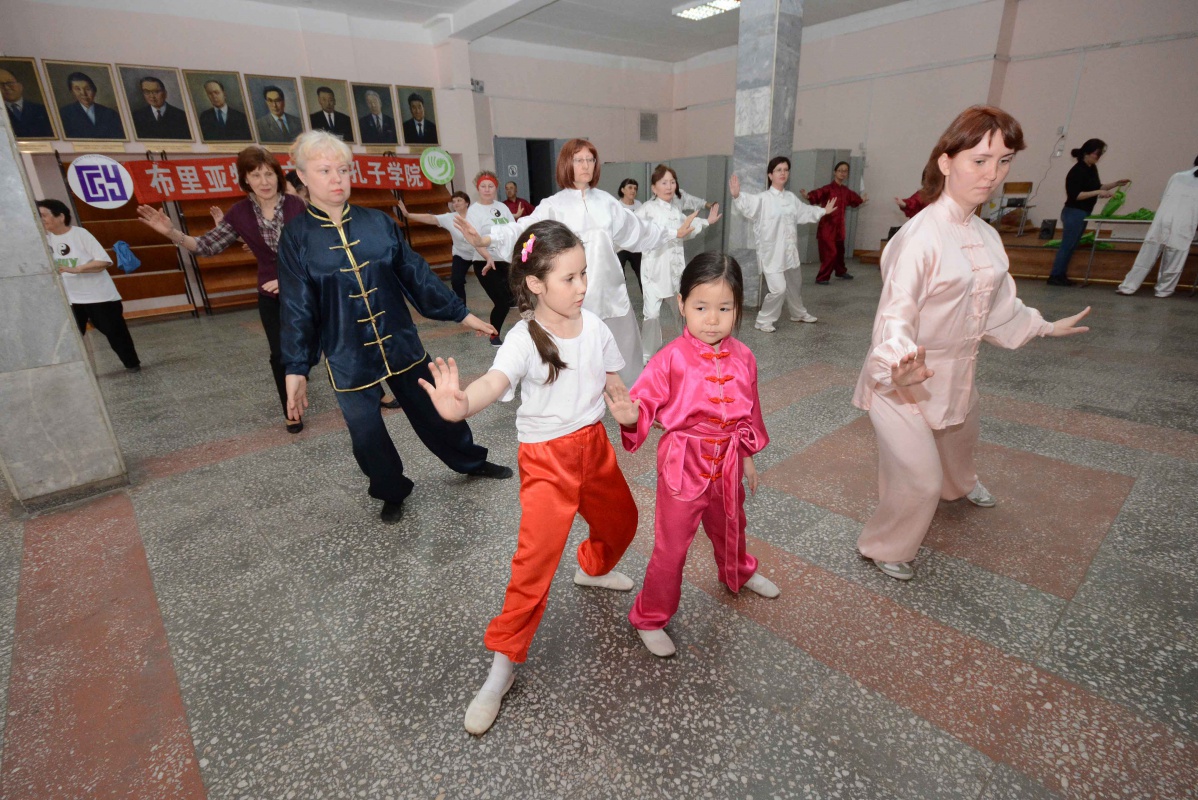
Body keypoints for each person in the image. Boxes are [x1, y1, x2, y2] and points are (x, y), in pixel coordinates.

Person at [418, 220, 639, 736]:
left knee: (623, 522)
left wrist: (626, 409)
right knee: (533, 565)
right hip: (546, 462)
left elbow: (613, 382)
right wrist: (460, 405)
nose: (582, 286)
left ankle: (592, 567)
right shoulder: (522, 339)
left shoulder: (595, 326)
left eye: (584, 274)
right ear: (536, 283)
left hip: (595, 449)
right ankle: (502, 667)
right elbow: (494, 382)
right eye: (570, 278)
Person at [853, 105, 1091, 582]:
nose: (992, 174)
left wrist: (1045, 326)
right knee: (919, 479)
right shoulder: (920, 237)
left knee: (960, 441)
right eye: (979, 161)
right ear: (946, 162)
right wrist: (898, 363)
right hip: (904, 379)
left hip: (958, 371)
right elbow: (896, 314)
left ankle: (959, 487)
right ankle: (884, 545)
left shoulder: (986, 235)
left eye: (1003, 162)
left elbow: (999, 305)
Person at [278, 131, 511, 523]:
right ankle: (390, 489)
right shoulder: (296, 238)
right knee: (366, 431)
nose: (337, 179)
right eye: (324, 171)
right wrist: (296, 368)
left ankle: (470, 461)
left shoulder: (377, 223)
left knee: (436, 409)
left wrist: (461, 313)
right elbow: (297, 306)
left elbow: (415, 274)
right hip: (346, 352)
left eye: (343, 170)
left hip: (399, 340)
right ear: (301, 175)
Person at [608, 252, 778, 658]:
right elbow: (643, 403)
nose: (712, 319)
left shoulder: (745, 357)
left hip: (729, 460)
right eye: (701, 307)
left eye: (724, 308)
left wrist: (747, 455)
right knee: (672, 547)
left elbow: (750, 411)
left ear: (738, 308)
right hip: (684, 462)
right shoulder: (670, 358)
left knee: (731, 524)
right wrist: (631, 417)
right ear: (682, 304)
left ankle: (738, 570)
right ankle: (650, 616)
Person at [456, 138, 699, 387]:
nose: (586, 165)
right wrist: (486, 239)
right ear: (566, 164)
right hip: (571, 300)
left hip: (611, 295)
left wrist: (673, 232)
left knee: (626, 364)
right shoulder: (553, 206)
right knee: (576, 367)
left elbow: (638, 230)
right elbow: (523, 230)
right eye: (579, 160)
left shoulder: (606, 203)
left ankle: (632, 401)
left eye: (590, 159)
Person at [137, 146, 309, 432]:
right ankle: (291, 409)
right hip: (271, 295)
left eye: (269, 174)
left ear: (278, 176)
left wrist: (290, 278)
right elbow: (206, 245)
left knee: (335, 342)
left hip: (307, 289)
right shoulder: (240, 213)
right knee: (280, 355)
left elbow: (316, 249)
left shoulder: (297, 206)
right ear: (245, 180)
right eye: (256, 175)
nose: (264, 181)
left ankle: (370, 391)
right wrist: (172, 233)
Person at [729, 156, 835, 332]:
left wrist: (823, 210)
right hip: (772, 253)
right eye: (778, 170)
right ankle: (763, 320)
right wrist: (737, 195)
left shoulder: (791, 198)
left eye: (786, 170)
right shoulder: (763, 199)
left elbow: (804, 211)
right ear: (770, 175)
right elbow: (748, 204)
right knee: (778, 289)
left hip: (790, 252)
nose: (783, 173)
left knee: (795, 285)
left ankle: (798, 313)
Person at [37, 199, 141, 372]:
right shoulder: (45, 240)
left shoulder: (80, 234)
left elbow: (103, 262)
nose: (41, 220)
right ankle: (71, 371)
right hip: (70, 299)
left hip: (99, 296)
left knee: (115, 333)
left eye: (43, 215)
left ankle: (132, 364)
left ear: (61, 217)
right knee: (70, 337)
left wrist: (77, 269)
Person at [635, 164, 719, 362]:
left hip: (675, 270)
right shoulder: (647, 209)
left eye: (672, 182)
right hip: (654, 271)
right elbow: (633, 230)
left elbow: (687, 228)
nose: (669, 186)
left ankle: (689, 346)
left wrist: (707, 222)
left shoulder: (675, 210)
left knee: (682, 311)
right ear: (654, 187)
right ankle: (648, 353)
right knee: (651, 314)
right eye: (664, 182)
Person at [1047, 138, 1130, 286]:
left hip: (1083, 212)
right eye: (1096, 154)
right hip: (1074, 212)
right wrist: (1098, 192)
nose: (1098, 157)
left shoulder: (1091, 169)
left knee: (1072, 245)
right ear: (1087, 153)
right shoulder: (1077, 171)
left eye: (1100, 154)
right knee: (1067, 245)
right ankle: (1055, 275)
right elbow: (1076, 195)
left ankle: (1060, 275)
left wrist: (1116, 184)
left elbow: (1098, 186)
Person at [1116, 157, 1198, 298]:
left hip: (1163, 220)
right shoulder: (1179, 177)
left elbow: (1162, 198)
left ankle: (1128, 287)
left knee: (1146, 256)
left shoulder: (1177, 176)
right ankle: (1163, 290)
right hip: (1184, 224)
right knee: (1174, 261)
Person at [398, 190, 493, 308]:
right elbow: (431, 218)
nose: (456, 203)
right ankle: (462, 309)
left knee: (489, 279)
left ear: (467, 203)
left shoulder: (476, 216)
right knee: (456, 281)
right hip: (461, 254)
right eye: (454, 201)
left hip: (478, 253)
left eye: (459, 200)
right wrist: (408, 215)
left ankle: (503, 301)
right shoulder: (449, 217)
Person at [465, 172, 517, 346]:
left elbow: (513, 231)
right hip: (484, 262)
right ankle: (494, 335)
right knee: (501, 302)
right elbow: (474, 239)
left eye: (490, 186)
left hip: (505, 260)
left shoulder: (502, 207)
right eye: (483, 186)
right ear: (478, 188)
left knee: (516, 297)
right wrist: (487, 257)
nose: (487, 189)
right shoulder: (474, 211)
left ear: (496, 188)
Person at [802, 161, 867, 284]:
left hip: (839, 228)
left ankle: (840, 271)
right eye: (840, 170)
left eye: (845, 171)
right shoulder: (828, 189)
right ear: (834, 172)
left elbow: (854, 199)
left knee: (840, 252)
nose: (843, 173)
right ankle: (822, 277)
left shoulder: (846, 191)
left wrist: (861, 200)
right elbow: (817, 194)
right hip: (827, 227)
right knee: (830, 253)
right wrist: (808, 196)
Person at [58, 71, 124, 139]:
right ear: (72, 92)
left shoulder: (110, 114)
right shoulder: (64, 114)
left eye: (87, 89)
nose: (83, 93)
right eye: (78, 89)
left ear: (94, 91)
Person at [1, 67, 54, 138]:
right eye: (1, 84)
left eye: (9, 83)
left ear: (20, 85)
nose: (6, 87)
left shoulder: (42, 110)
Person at [614, 177, 643, 286]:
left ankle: (647, 296)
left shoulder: (639, 205)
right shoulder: (616, 206)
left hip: (636, 246)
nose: (633, 191)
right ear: (622, 190)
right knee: (619, 276)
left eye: (635, 188)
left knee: (642, 274)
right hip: (620, 247)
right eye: (630, 187)